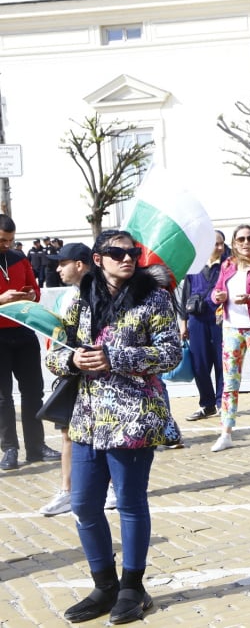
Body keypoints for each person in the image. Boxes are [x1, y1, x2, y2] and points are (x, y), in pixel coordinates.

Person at [44, 229, 182, 624]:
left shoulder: (153, 297)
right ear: (98, 258)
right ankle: (103, 586)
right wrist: (72, 363)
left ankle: (133, 589)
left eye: (133, 252)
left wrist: (114, 357)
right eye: (117, 252)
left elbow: (170, 352)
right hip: (87, 420)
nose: (127, 258)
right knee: (85, 503)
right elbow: (55, 352)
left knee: (130, 503)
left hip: (134, 416)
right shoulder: (80, 300)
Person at [0, 214, 60, 471]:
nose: (7, 245)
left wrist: (31, 294)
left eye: (11, 240)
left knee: (33, 392)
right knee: (2, 398)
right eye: (3, 240)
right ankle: (9, 448)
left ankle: (36, 447)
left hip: (23, 333)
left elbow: (34, 291)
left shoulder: (20, 258)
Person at [38, 242, 93, 516]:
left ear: (80, 264)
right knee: (67, 433)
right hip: (70, 374)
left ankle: (110, 488)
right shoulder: (65, 297)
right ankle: (67, 491)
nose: (58, 269)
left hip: (97, 378)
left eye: (62, 263)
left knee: (103, 435)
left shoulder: (100, 293)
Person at [209, 225, 250, 453]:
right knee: (230, 382)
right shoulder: (227, 265)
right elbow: (215, 292)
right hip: (231, 328)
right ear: (233, 243)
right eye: (241, 239)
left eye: (249, 238)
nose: (246, 242)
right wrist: (218, 296)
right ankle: (226, 432)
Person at [179, 231, 227, 421]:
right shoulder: (194, 265)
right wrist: (183, 323)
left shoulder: (228, 265)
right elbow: (184, 297)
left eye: (222, 244)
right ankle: (207, 405)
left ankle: (222, 403)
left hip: (220, 319)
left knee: (222, 363)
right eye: (216, 244)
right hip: (197, 320)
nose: (220, 248)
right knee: (200, 364)